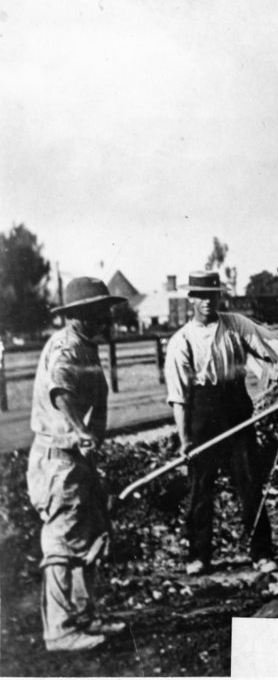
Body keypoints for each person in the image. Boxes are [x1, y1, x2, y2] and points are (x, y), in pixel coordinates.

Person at [164, 271, 278, 576]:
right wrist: (185, 440)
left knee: (249, 482)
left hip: (236, 408)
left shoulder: (236, 324)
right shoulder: (181, 340)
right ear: (191, 299)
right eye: (200, 296)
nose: (207, 302)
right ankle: (199, 556)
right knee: (200, 487)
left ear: (218, 297)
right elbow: (178, 397)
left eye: (212, 295)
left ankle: (262, 553)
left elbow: (273, 347)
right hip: (202, 412)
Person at [27, 277, 127, 651]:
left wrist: (90, 440)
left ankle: (85, 615)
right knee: (62, 540)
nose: (103, 318)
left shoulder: (87, 347)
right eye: (95, 312)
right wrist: (80, 430)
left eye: (104, 311)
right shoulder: (65, 348)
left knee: (91, 534)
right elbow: (61, 393)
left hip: (78, 460)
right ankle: (60, 629)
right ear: (75, 315)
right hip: (59, 461)